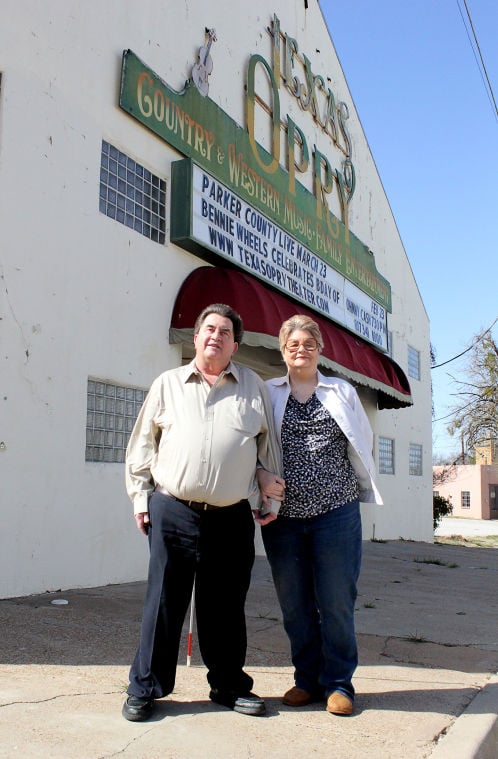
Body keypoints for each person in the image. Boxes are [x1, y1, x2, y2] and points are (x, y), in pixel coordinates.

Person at [122, 303, 283, 722]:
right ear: (195, 337)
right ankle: (145, 687)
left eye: (225, 332)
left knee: (226, 606)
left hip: (231, 516)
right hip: (172, 509)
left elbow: (268, 451)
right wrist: (141, 499)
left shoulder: (254, 387)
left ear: (235, 344)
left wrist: (273, 495)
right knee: (163, 601)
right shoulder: (168, 384)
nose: (215, 336)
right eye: (208, 329)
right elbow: (142, 447)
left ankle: (228, 686)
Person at [258, 314, 382, 716]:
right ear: (282, 349)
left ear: (319, 350)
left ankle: (339, 684)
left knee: (335, 601)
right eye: (293, 344)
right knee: (294, 603)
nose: (301, 350)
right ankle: (306, 680)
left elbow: (364, 441)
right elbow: (255, 444)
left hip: (336, 512)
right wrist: (260, 478)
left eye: (308, 344)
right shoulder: (268, 392)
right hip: (284, 519)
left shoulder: (340, 391)